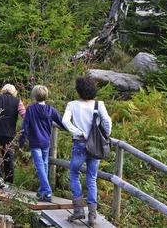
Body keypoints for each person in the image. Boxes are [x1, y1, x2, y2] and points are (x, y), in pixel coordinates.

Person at [62, 77, 112, 226]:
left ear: (78, 90)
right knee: (92, 178)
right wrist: (105, 135)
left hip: (79, 144)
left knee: (74, 174)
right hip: (95, 145)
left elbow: (65, 121)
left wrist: (77, 132)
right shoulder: (99, 104)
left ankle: (78, 211)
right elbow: (107, 121)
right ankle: (92, 216)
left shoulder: (72, 105)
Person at [19, 85, 67, 202]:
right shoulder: (50, 110)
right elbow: (62, 122)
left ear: (34, 96)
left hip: (35, 141)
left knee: (40, 166)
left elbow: (25, 127)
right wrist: (73, 129)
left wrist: (21, 142)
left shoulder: (30, 109)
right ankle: (42, 192)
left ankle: (48, 191)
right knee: (44, 164)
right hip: (46, 141)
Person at [0, 83, 26, 189]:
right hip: (8, 134)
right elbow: (24, 114)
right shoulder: (17, 101)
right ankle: (8, 182)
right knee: (8, 156)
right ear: (14, 92)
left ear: (2, 91)